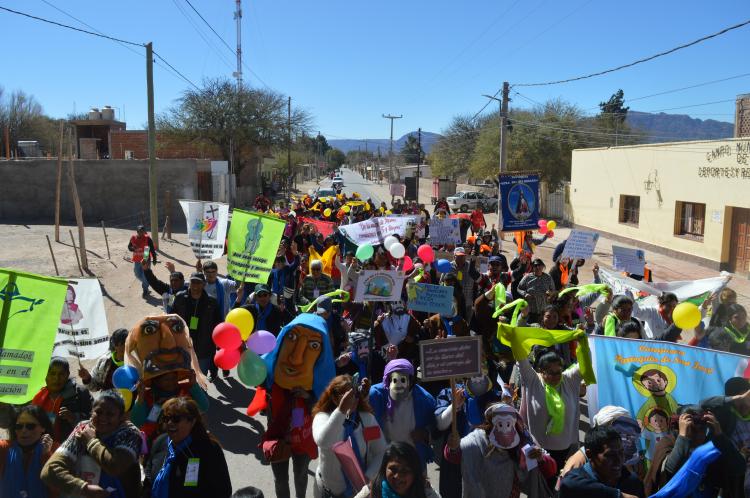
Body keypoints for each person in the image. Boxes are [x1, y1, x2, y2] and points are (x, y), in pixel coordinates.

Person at [261, 314, 336, 498]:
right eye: (292, 337)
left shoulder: (323, 386)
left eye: (313, 345)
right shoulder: (269, 375)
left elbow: (327, 410)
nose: (295, 357)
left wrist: (310, 396)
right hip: (278, 436)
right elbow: (256, 380)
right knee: (280, 479)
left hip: (303, 436)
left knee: (301, 475)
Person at [41, 390, 143, 498]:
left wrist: (91, 441)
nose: (103, 418)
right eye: (98, 412)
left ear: (122, 417)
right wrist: (84, 488)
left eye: (110, 414)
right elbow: (49, 471)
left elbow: (115, 466)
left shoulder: (129, 432)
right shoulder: (83, 429)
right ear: (91, 412)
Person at [444, 402, 556, 498]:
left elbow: (551, 469)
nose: (504, 430)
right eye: (500, 424)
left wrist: (540, 458)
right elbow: (457, 455)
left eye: (508, 424)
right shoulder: (479, 439)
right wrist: (453, 447)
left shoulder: (523, 440)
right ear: (490, 424)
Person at [312, 375, 387, 498]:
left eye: (354, 395)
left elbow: (381, 451)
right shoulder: (322, 417)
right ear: (334, 398)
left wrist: (368, 477)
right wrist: (341, 411)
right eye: (345, 396)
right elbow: (323, 441)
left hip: (360, 492)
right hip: (328, 492)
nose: (352, 400)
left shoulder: (366, 420)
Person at [369, 359, 453, 468]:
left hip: (413, 457)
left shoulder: (425, 399)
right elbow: (366, 427)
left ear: (411, 380)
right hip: (382, 457)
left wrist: (425, 433)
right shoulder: (375, 396)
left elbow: (435, 427)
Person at [144, 397, 232, 498]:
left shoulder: (209, 450)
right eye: (166, 418)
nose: (169, 423)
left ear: (192, 421)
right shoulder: (160, 442)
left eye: (176, 419)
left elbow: (223, 491)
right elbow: (148, 476)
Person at [517, 351, 581, 476]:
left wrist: (583, 342)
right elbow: (520, 358)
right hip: (537, 449)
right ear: (541, 371)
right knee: (539, 485)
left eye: (558, 372)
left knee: (557, 481)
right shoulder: (533, 380)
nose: (556, 376)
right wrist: (516, 338)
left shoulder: (568, 380)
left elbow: (585, 365)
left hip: (564, 448)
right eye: (551, 373)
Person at [559, 426, 644, 498]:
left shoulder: (631, 482)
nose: (618, 460)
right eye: (610, 455)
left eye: (621, 452)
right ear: (590, 454)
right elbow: (568, 484)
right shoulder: (575, 483)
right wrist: (618, 495)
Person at [171, 272, 223, 380]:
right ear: (189, 283)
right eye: (193, 282)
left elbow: (218, 323)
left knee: (200, 378)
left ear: (204, 284)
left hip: (203, 349)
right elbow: (171, 318)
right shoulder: (180, 297)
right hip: (183, 347)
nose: (195, 285)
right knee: (184, 379)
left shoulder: (211, 302)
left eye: (198, 283)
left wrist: (220, 343)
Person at [32, 357, 93, 443]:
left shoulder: (80, 393)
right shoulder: (36, 395)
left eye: (61, 374)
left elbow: (93, 422)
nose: (57, 378)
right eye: (52, 373)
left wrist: (74, 418)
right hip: (42, 448)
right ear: (45, 374)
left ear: (68, 374)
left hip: (71, 448)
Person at [0, 405, 57, 498]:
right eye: (19, 426)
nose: (24, 430)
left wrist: (46, 455)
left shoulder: (55, 449)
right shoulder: (4, 448)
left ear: (43, 428)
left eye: (30, 426)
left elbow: (57, 487)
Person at [354, 442, 440, 498]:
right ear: (384, 469)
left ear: (415, 472)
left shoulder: (426, 493)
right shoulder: (372, 491)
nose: (398, 476)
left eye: (405, 470)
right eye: (393, 469)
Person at [79, 327, 129, 392]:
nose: (125, 346)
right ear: (115, 345)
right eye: (122, 343)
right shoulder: (104, 362)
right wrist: (87, 378)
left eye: (128, 342)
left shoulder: (135, 362)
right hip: (108, 400)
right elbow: (94, 387)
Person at [516, 259, 554, 324]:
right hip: (530, 311)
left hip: (543, 311)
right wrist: (525, 294)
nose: (537, 267)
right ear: (532, 267)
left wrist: (550, 293)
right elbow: (519, 288)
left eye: (539, 265)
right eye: (535, 266)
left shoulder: (548, 277)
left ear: (543, 266)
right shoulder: (527, 277)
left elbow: (553, 290)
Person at [129, 224, 157, 298]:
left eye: (143, 231)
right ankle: (147, 282)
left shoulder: (147, 238)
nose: (141, 233)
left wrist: (154, 258)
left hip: (145, 256)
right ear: (137, 231)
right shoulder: (133, 238)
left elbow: (152, 249)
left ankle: (145, 290)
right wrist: (132, 248)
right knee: (137, 274)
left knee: (145, 275)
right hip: (136, 259)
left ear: (144, 232)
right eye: (140, 231)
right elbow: (129, 247)